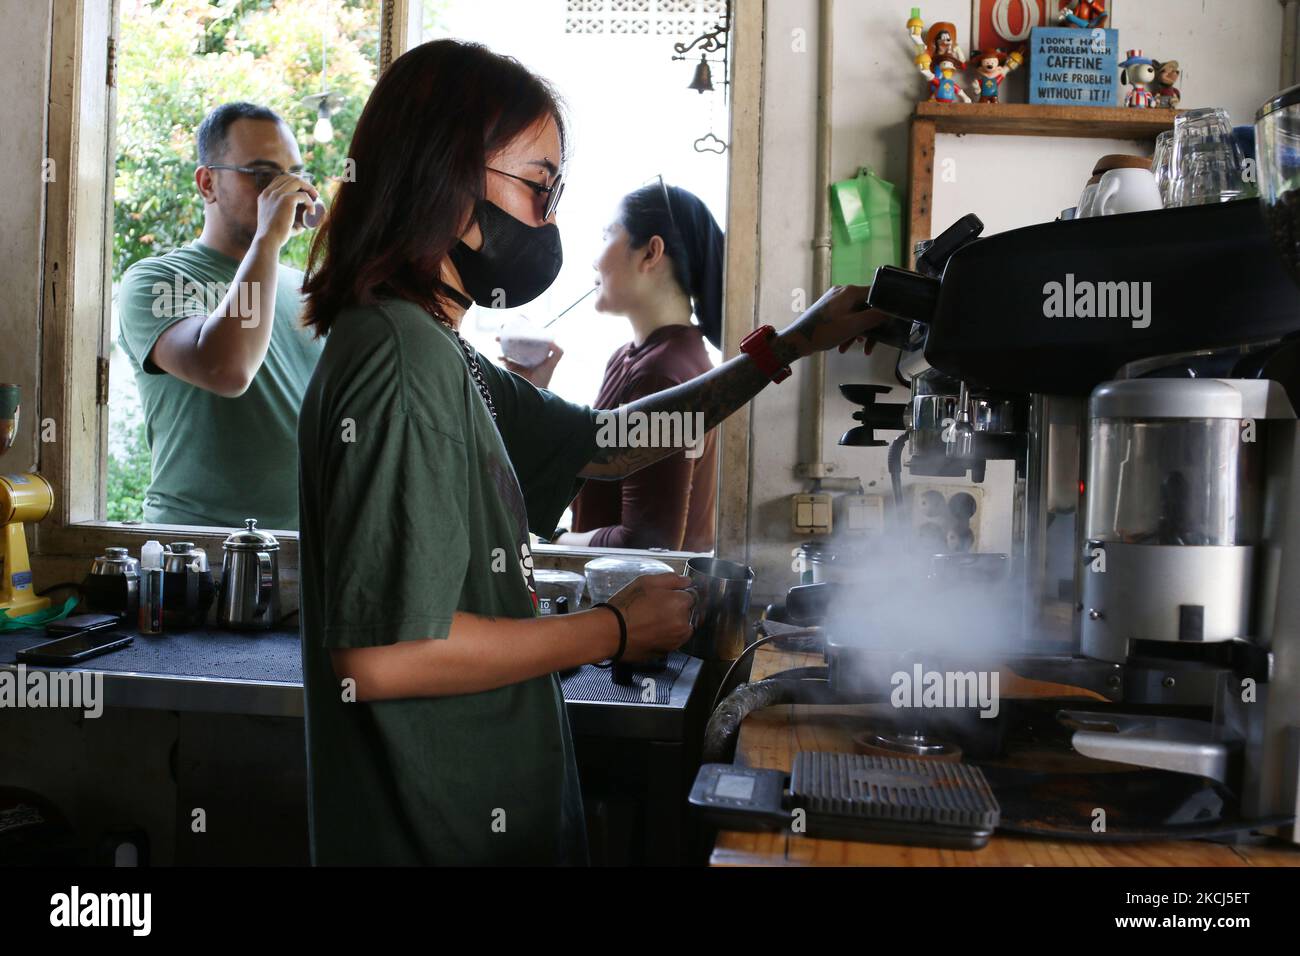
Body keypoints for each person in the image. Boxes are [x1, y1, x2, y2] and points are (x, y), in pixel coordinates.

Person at [296, 38, 884, 865]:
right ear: (448, 179)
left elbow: (609, 446)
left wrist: (788, 345)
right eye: (539, 188)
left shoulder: (439, 348)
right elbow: (388, 655)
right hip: (435, 834)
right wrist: (608, 628)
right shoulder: (401, 357)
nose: (550, 220)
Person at [117, 102, 323, 529]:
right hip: (197, 552)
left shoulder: (309, 288)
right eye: (265, 176)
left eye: (295, 176)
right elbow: (226, 369)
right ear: (207, 183)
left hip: (308, 556)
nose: (288, 192)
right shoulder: (158, 279)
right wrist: (267, 241)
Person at [532, 183, 723, 552]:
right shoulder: (632, 358)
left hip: (638, 607)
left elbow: (646, 544)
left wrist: (555, 539)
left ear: (651, 253)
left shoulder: (662, 374)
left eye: (607, 235)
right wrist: (536, 395)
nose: (595, 260)